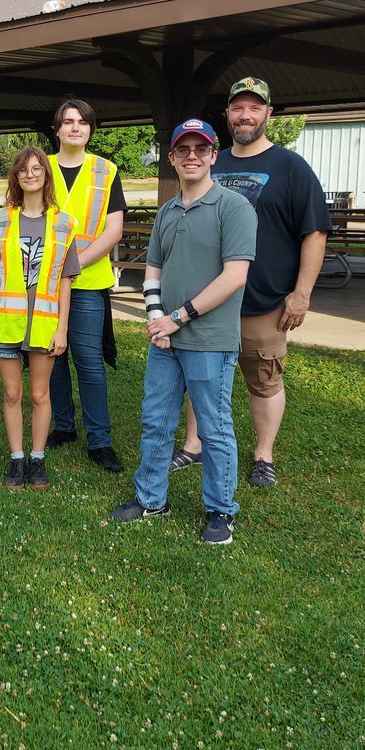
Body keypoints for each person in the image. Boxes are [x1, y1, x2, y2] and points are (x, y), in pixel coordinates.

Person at [170, 78, 331, 487]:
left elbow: (314, 232)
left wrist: (302, 293)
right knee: (199, 373)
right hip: (209, 300)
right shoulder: (210, 160)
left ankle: (263, 455)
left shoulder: (291, 167)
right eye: (238, 108)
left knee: (264, 379)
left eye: (254, 108)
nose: (245, 115)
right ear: (227, 114)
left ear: (268, 114)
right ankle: (194, 445)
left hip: (264, 301)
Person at [109, 119, 256, 545]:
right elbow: (153, 268)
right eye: (183, 149)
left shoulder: (234, 207)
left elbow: (234, 276)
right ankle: (152, 498)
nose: (192, 155)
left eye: (200, 148)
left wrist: (179, 317)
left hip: (209, 342)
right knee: (155, 422)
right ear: (172, 157)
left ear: (213, 155)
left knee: (213, 428)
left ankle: (221, 511)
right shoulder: (168, 211)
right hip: (166, 341)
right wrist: (158, 320)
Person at [0, 147, 80, 490]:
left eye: (37, 169)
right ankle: (17, 458)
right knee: (11, 393)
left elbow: (66, 281)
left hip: (45, 323)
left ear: (45, 175)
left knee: (39, 395)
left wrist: (62, 328)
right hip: (6, 322)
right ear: (16, 177)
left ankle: (38, 460)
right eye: (24, 170)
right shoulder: (0, 220)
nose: (31, 174)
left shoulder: (64, 224)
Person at [45, 98, 127, 473]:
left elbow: (113, 230)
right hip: (43, 283)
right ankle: (63, 425)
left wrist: (76, 264)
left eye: (82, 121)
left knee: (89, 361)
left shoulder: (107, 171)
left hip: (88, 282)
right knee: (52, 357)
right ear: (57, 129)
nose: (75, 127)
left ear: (91, 129)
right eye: (68, 121)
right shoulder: (38, 167)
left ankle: (100, 440)